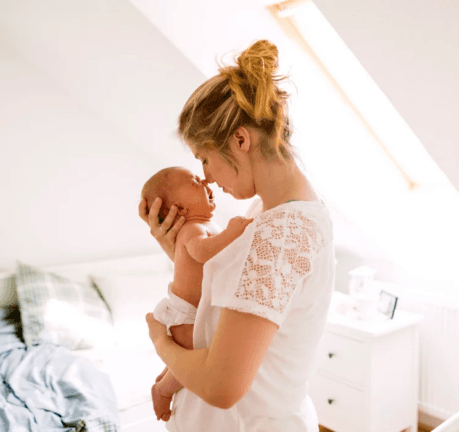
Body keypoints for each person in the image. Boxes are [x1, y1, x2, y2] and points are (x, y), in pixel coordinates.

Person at [138, 39, 335, 431]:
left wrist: (159, 339)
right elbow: (221, 315)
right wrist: (175, 251)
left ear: (240, 140)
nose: (207, 175)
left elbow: (221, 385)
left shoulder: (281, 234)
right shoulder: (272, 213)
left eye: (205, 159)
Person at [140, 166, 253, 422]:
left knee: (188, 355)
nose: (203, 180)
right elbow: (202, 252)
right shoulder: (193, 229)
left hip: (196, 308)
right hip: (187, 310)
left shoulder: (206, 223)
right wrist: (232, 233)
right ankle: (163, 390)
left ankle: (163, 378)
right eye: (193, 182)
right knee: (194, 354)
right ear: (178, 208)